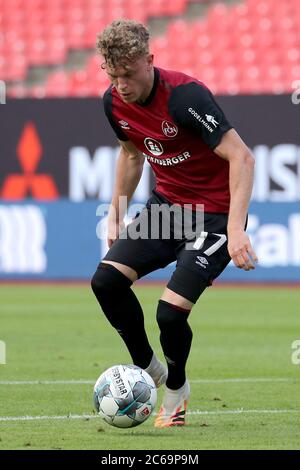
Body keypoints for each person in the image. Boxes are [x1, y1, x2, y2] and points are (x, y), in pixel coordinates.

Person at [91, 19, 258, 428]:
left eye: (128, 74)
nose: (121, 85)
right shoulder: (114, 102)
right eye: (113, 76)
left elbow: (242, 157)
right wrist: (116, 212)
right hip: (167, 210)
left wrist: (236, 229)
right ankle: (149, 369)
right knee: (105, 282)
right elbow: (131, 156)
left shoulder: (185, 97)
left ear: (150, 61)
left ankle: (176, 389)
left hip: (214, 217)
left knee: (169, 314)